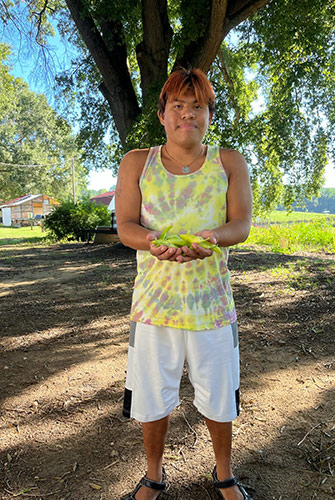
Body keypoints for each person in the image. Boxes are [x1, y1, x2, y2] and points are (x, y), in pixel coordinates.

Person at [115, 68, 253, 500]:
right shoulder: (138, 161)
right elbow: (125, 225)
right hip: (154, 306)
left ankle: (224, 473)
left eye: (198, 106)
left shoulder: (229, 161)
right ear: (162, 114)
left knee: (218, 397)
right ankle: (154, 475)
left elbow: (241, 224)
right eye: (178, 105)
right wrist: (153, 241)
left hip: (212, 304)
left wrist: (213, 238)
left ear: (210, 114)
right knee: (152, 396)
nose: (187, 114)